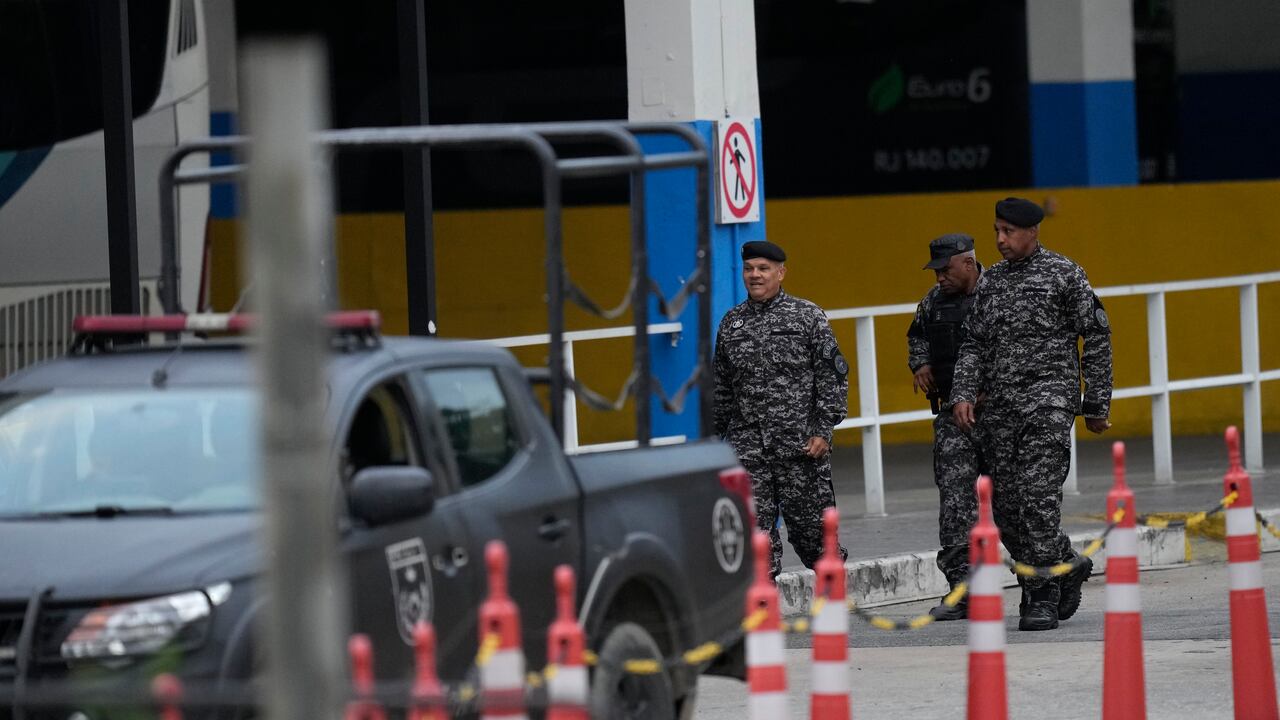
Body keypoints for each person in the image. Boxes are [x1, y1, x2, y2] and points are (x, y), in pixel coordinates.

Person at [951, 197, 1113, 631]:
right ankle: (1067, 563)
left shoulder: (1065, 274)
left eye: (1008, 232)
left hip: (1048, 404)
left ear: (1032, 232)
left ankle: (1039, 594)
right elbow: (972, 344)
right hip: (1000, 410)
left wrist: (1096, 402)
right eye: (996, 231)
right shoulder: (992, 282)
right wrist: (962, 392)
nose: (1000, 240)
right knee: (1006, 510)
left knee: (1038, 498)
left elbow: (1095, 336)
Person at [713, 240, 850, 580]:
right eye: (749, 269)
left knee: (814, 537)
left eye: (763, 269)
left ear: (781, 272)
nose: (755, 275)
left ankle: (831, 604)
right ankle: (763, 612)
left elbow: (832, 379)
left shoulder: (807, 317)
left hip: (800, 448)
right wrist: (714, 443)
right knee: (755, 537)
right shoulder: (732, 324)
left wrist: (823, 430)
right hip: (749, 450)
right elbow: (721, 389)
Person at [906, 233, 983, 620]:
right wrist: (920, 363)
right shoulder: (933, 303)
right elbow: (916, 335)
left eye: (945, 270)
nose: (939, 278)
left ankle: (1050, 576)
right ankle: (962, 591)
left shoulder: (998, 294)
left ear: (968, 263)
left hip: (999, 416)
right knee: (955, 505)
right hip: (953, 418)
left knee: (1021, 506)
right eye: (935, 271)